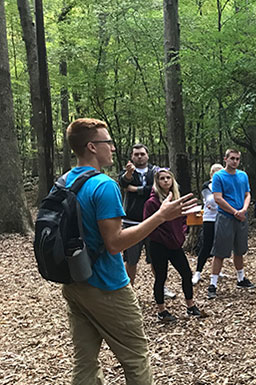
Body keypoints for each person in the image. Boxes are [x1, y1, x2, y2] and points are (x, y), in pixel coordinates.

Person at [61, 118, 195, 384]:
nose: (112, 147)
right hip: (107, 286)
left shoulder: (65, 180)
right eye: (107, 142)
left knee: (85, 362)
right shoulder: (104, 185)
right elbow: (115, 243)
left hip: (74, 281)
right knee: (136, 358)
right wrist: (160, 216)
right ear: (91, 147)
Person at [144, 168, 205, 322]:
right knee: (161, 277)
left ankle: (191, 306)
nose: (165, 181)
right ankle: (161, 311)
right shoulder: (151, 202)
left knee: (186, 273)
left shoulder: (177, 200)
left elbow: (183, 220)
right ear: (157, 182)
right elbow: (149, 226)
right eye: (162, 178)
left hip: (175, 245)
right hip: (158, 245)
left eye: (168, 178)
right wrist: (165, 237)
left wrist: (181, 233)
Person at [118, 144, 164, 291]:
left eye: (142, 154)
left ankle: (160, 287)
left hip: (153, 221)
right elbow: (123, 183)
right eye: (136, 154)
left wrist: (135, 189)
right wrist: (129, 176)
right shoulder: (127, 172)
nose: (139, 157)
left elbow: (160, 187)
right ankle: (128, 289)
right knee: (131, 259)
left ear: (147, 155)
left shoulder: (155, 171)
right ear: (132, 156)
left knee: (156, 258)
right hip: (132, 222)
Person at [208, 149, 253, 299]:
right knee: (220, 251)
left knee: (240, 249)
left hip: (241, 217)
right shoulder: (219, 176)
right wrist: (235, 211)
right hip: (226, 217)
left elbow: (247, 194)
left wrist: (244, 209)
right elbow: (218, 198)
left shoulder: (243, 175)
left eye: (237, 159)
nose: (235, 161)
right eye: (232, 158)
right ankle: (213, 284)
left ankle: (241, 279)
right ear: (225, 159)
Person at [192, 163, 223, 285]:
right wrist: (219, 203)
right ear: (212, 173)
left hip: (222, 218)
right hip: (209, 218)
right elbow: (210, 201)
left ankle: (217, 270)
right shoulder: (207, 186)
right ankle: (198, 272)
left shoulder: (224, 185)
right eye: (216, 172)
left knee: (219, 245)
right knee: (206, 245)